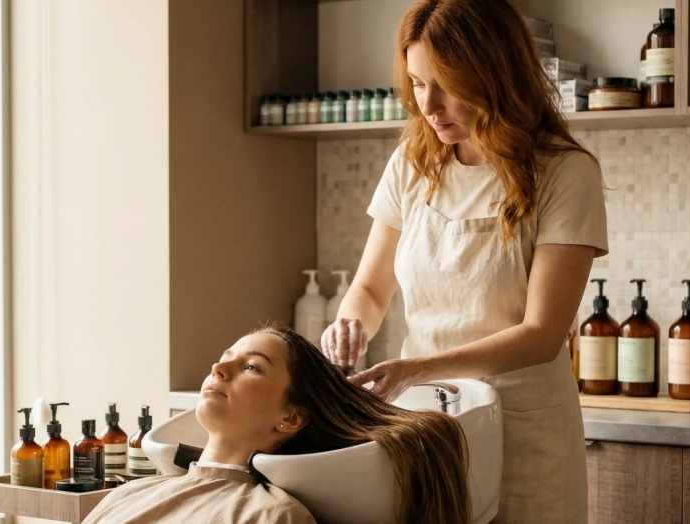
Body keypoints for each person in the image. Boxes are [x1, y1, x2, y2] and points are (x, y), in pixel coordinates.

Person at [319, 1, 609, 523]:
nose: (429, 106)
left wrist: (415, 368)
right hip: (428, 427)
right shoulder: (413, 164)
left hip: (525, 431)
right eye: (417, 83)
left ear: (496, 74)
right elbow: (370, 288)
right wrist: (349, 325)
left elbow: (543, 334)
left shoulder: (565, 173)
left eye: (447, 85)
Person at [83, 326, 470, 524]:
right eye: (225, 357)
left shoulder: (272, 516)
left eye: (251, 366)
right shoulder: (128, 495)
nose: (218, 367)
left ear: (291, 417)